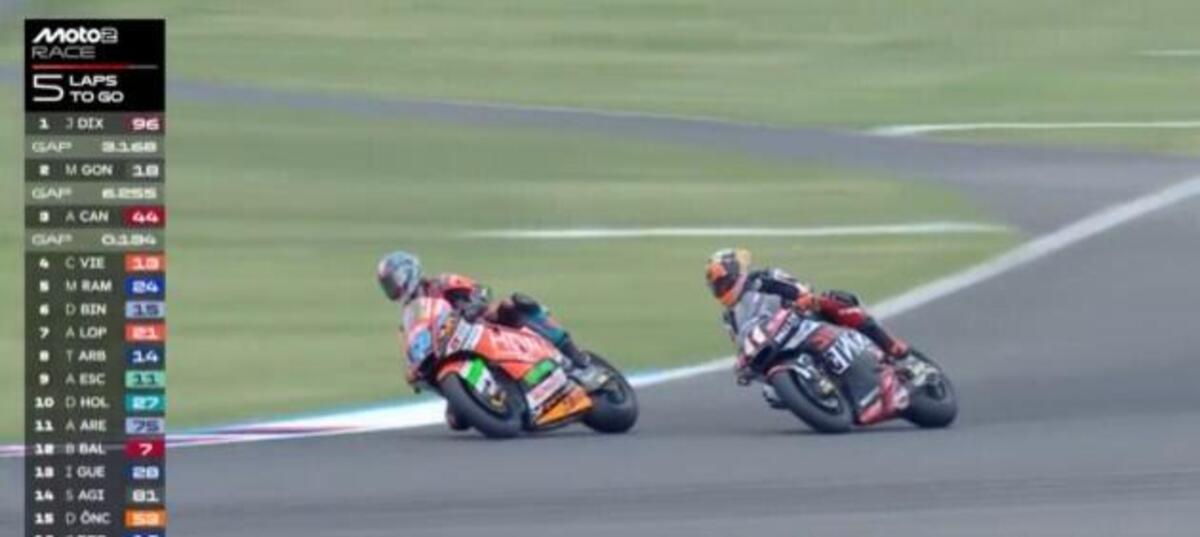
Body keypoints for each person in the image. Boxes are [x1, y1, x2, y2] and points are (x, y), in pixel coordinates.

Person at [376, 251, 604, 427]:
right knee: (456, 421)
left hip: (479, 325)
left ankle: (578, 361)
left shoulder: (443, 283)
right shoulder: (409, 317)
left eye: (393, 281)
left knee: (514, 305)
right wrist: (412, 369)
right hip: (451, 352)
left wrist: (473, 303)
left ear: (408, 272)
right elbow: (411, 346)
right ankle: (502, 396)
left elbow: (480, 291)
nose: (392, 289)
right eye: (387, 286)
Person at [704, 248, 912, 409]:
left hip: (803, 319)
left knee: (835, 300)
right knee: (771, 394)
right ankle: (818, 394)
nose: (721, 289)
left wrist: (803, 298)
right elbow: (743, 342)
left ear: (736, 273)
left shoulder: (764, 277)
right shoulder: (730, 317)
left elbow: (796, 287)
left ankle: (890, 345)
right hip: (776, 343)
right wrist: (742, 365)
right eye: (717, 287)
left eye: (723, 282)